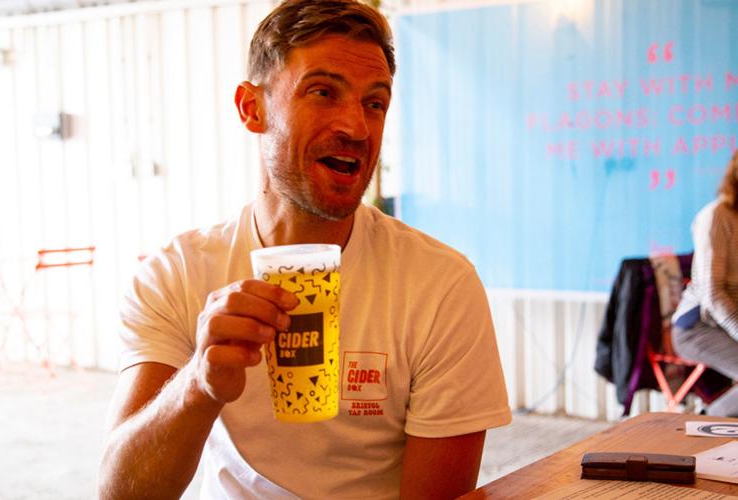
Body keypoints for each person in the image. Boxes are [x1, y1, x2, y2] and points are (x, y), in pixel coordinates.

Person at [97, 0, 511, 497]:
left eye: (374, 102)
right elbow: (121, 492)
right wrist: (198, 386)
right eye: (323, 92)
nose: (356, 127)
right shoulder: (180, 274)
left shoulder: (439, 286)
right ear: (253, 108)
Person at [672, 149, 738, 417]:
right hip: (698, 326)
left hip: (726, 325)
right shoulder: (717, 216)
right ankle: (705, 423)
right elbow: (713, 293)